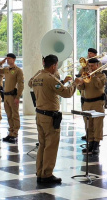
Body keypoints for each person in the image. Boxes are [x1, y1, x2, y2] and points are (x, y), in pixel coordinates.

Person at [30, 54, 75, 184]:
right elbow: (66, 93)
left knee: (42, 145)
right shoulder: (50, 78)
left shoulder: (38, 77)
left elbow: (50, 89)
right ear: (54, 65)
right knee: (51, 146)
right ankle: (47, 174)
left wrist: (63, 82)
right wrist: (74, 84)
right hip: (49, 117)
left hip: (39, 115)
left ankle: (40, 172)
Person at [76, 57, 106, 155]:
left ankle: (96, 145)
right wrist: (79, 83)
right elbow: (82, 88)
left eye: (92, 66)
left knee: (97, 125)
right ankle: (90, 143)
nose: (90, 68)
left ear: (97, 66)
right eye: (89, 66)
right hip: (87, 103)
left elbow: (99, 85)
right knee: (88, 124)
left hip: (97, 102)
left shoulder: (102, 76)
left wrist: (93, 76)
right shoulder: (86, 75)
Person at [2, 53, 24, 144]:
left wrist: (18, 97)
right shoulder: (6, 69)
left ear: (14, 59)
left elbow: (21, 85)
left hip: (13, 96)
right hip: (6, 96)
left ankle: (15, 133)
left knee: (15, 115)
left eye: (9, 58)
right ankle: (10, 132)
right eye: (6, 59)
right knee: (9, 115)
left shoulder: (18, 70)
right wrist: (1, 62)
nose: (7, 60)